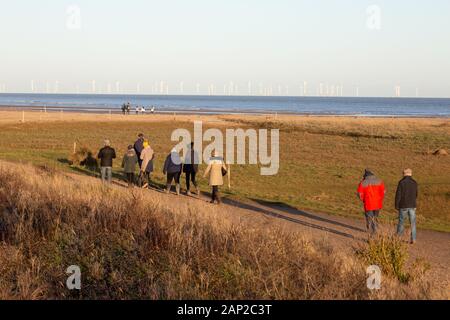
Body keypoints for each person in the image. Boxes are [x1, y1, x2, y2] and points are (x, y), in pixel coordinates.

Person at [357, 169, 386, 236]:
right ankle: (376, 230)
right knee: (375, 217)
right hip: (378, 203)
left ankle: (372, 234)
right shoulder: (379, 181)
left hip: (368, 204)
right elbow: (383, 192)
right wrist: (380, 198)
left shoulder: (363, 183)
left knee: (369, 218)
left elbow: (360, 194)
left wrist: (363, 199)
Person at [395, 169, 418, 244]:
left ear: (404, 174)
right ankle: (413, 239)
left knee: (401, 222)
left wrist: (396, 205)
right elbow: (416, 194)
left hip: (403, 205)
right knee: (413, 223)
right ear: (411, 174)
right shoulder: (414, 182)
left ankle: (398, 238)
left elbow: (398, 195)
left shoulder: (401, 182)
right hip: (412, 205)